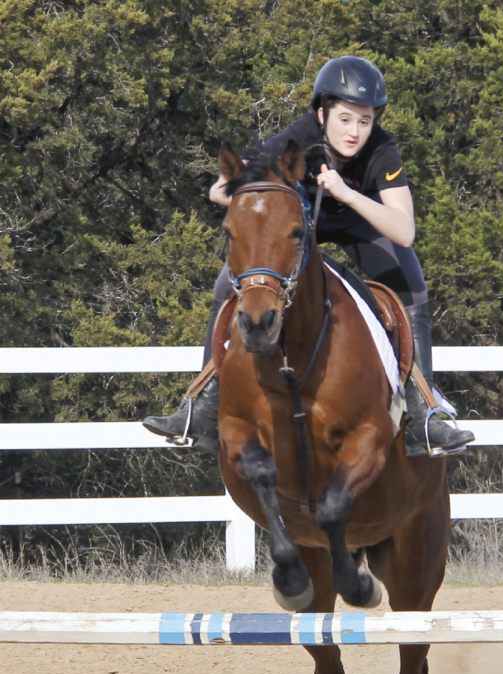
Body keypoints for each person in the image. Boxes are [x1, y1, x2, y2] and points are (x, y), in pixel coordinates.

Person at [143, 56, 474, 456]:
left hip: (360, 222)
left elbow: (405, 230)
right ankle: (202, 403)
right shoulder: (299, 136)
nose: (355, 132)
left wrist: (347, 193)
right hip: (303, 227)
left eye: (365, 121)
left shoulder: (383, 149)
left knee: (412, 285)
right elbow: (219, 190)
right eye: (346, 119)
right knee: (226, 282)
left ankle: (425, 412)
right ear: (322, 113)